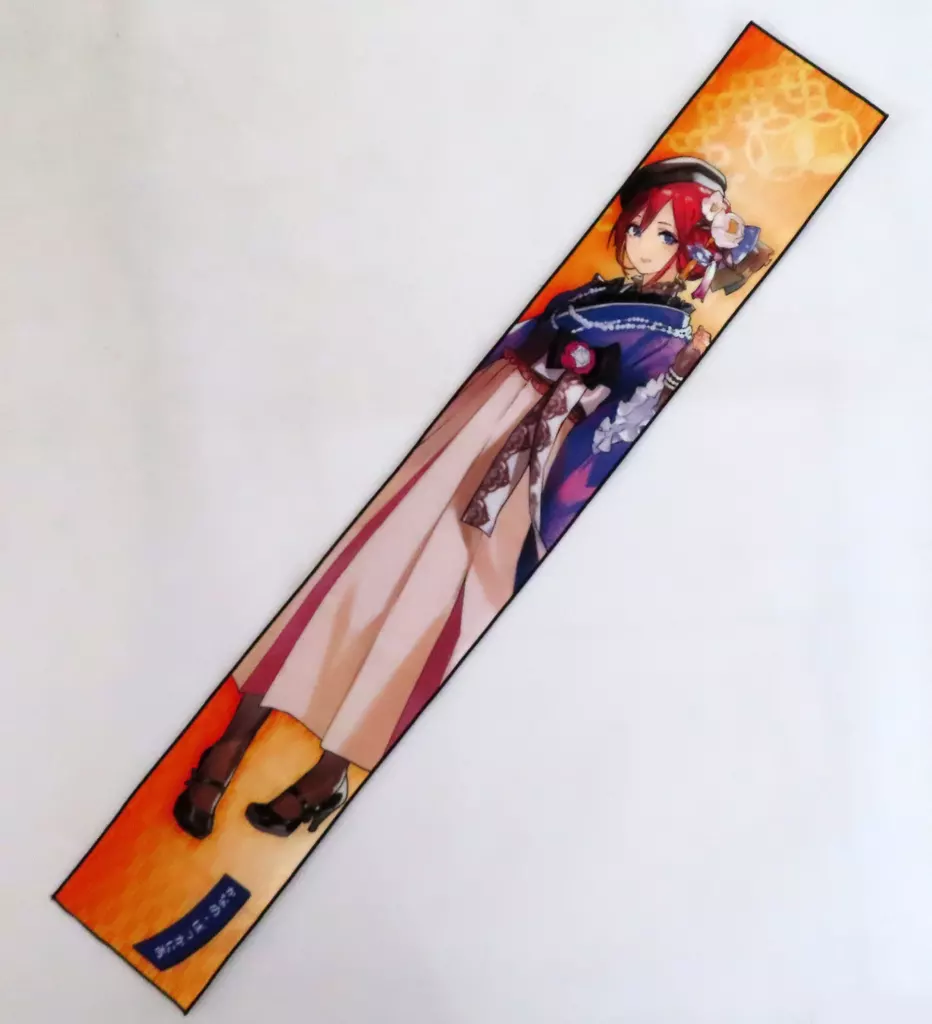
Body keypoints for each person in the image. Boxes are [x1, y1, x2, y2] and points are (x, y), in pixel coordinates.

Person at [173, 156, 771, 840]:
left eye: (664, 236)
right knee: (362, 568)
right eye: (638, 227)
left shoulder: (668, 331)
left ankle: (328, 773)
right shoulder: (608, 296)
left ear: (695, 250)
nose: (641, 245)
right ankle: (232, 741)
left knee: (431, 605)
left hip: (528, 464)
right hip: (477, 421)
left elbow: (613, 421)